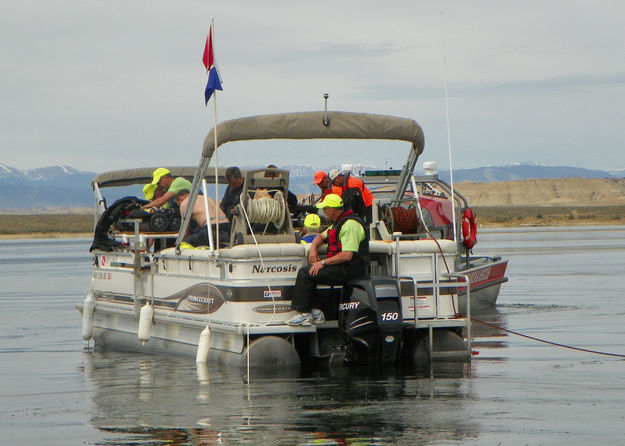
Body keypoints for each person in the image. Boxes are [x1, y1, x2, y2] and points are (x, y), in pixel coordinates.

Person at [286, 194, 369, 326]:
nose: (323, 212)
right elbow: (320, 236)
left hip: (350, 269)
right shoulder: (339, 224)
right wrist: (313, 248)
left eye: (325, 209)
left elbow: (347, 255)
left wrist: (322, 262)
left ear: (332, 210)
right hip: (343, 267)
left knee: (305, 273)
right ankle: (316, 313)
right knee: (312, 271)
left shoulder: (350, 225)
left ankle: (304, 314)